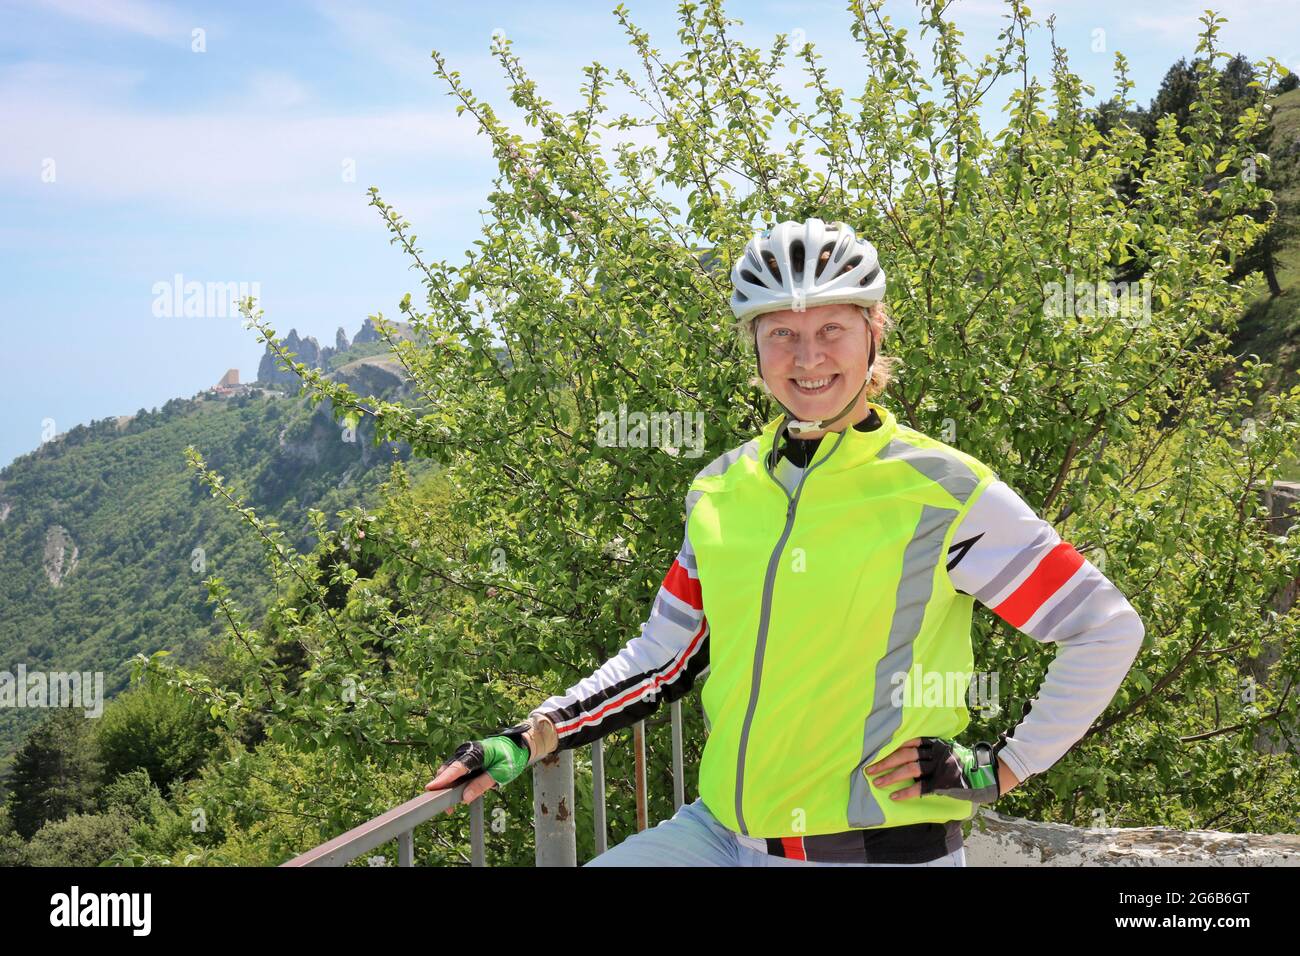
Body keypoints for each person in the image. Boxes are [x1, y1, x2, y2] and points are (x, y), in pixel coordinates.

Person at [426, 217, 1146, 866]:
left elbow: (1104, 628)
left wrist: (1005, 765)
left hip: (874, 850)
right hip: (718, 835)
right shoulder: (721, 489)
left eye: (832, 329)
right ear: (756, 347)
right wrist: (531, 735)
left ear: (874, 333)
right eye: (782, 334)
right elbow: (661, 659)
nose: (808, 358)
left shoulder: (943, 489)